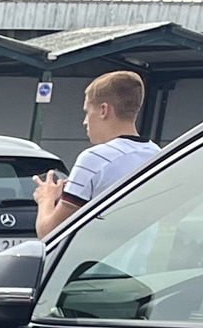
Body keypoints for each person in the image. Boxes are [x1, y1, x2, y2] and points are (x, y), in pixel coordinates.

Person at [33, 71, 161, 235]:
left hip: (97, 259)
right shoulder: (157, 155)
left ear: (103, 110)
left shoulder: (94, 160)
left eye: (87, 111)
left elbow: (49, 232)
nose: (84, 121)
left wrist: (46, 198)